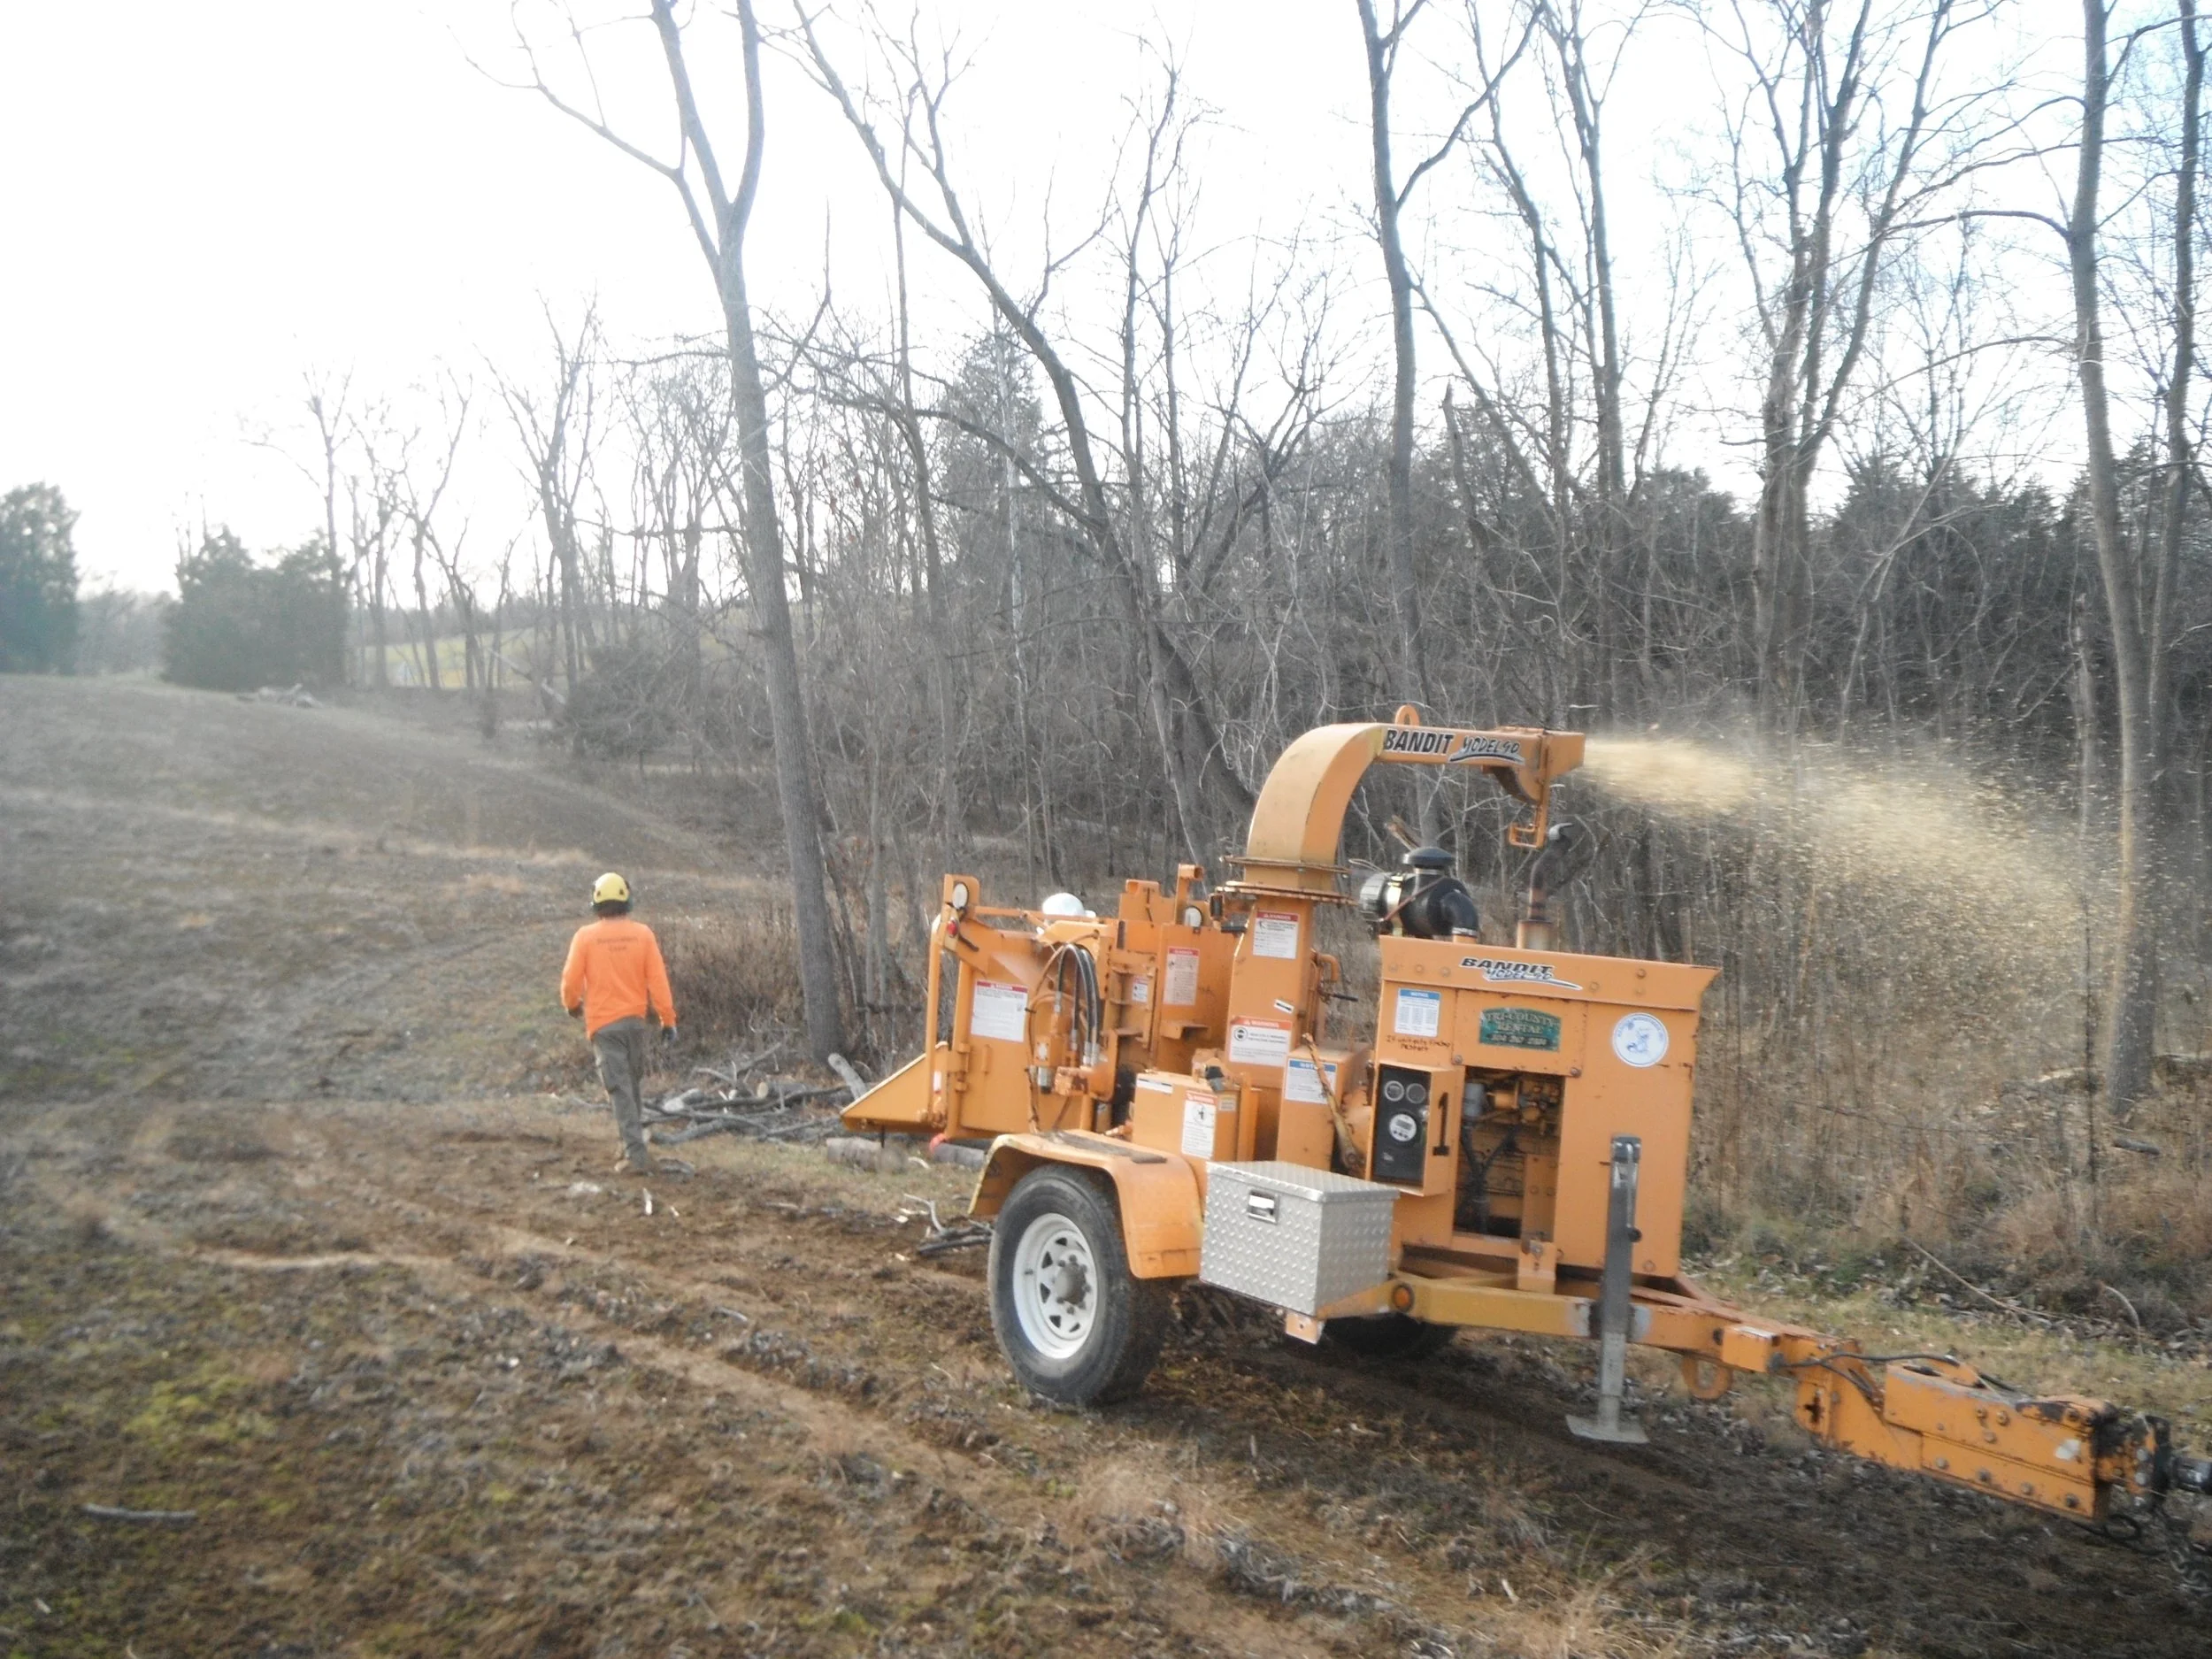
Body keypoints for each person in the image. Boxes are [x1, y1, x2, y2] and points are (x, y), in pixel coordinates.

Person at [560, 872, 679, 1173]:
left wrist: (572, 1006)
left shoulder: (585, 937)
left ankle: (635, 1156)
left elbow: (571, 982)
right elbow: (659, 982)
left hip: (604, 1026)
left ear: (597, 903)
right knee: (631, 1087)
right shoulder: (643, 935)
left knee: (620, 1089)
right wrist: (668, 1020)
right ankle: (631, 1143)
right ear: (626, 900)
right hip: (635, 1024)